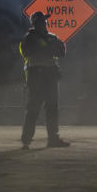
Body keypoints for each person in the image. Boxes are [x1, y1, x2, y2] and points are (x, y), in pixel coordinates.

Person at [18, 11, 69, 149]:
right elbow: (29, 52)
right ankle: (26, 140)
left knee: (52, 107)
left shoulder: (51, 36)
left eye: (45, 21)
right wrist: (48, 49)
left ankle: (53, 139)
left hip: (50, 74)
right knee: (33, 108)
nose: (44, 23)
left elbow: (62, 51)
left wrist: (45, 49)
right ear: (35, 24)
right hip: (36, 75)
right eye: (41, 21)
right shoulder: (28, 38)